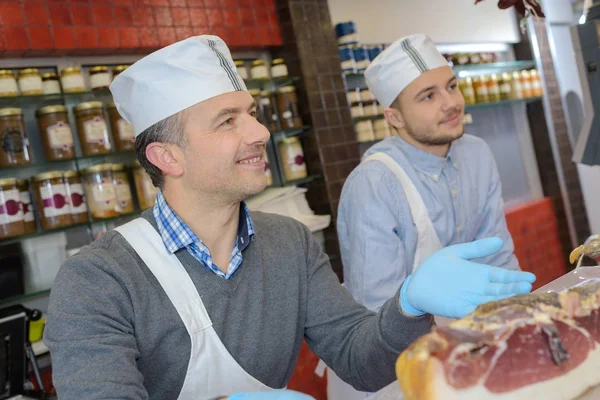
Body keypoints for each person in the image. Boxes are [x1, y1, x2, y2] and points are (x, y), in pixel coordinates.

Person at [43, 35, 535, 400]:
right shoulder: (97, 280)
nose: (260, 131)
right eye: (228, 121)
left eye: (252, 113)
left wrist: (407, 306)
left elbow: (358, 361)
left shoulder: (288, 244)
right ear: (168, 158)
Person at [331, 34, 525, 398]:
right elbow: (376, 310)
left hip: (465, 350)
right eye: (428, 96)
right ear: (394, 117)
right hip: (395, 371)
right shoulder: (373, 183)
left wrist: (519, 324)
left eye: (451, 86)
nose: (451, 103)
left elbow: (497, 257)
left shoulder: (477, 154)